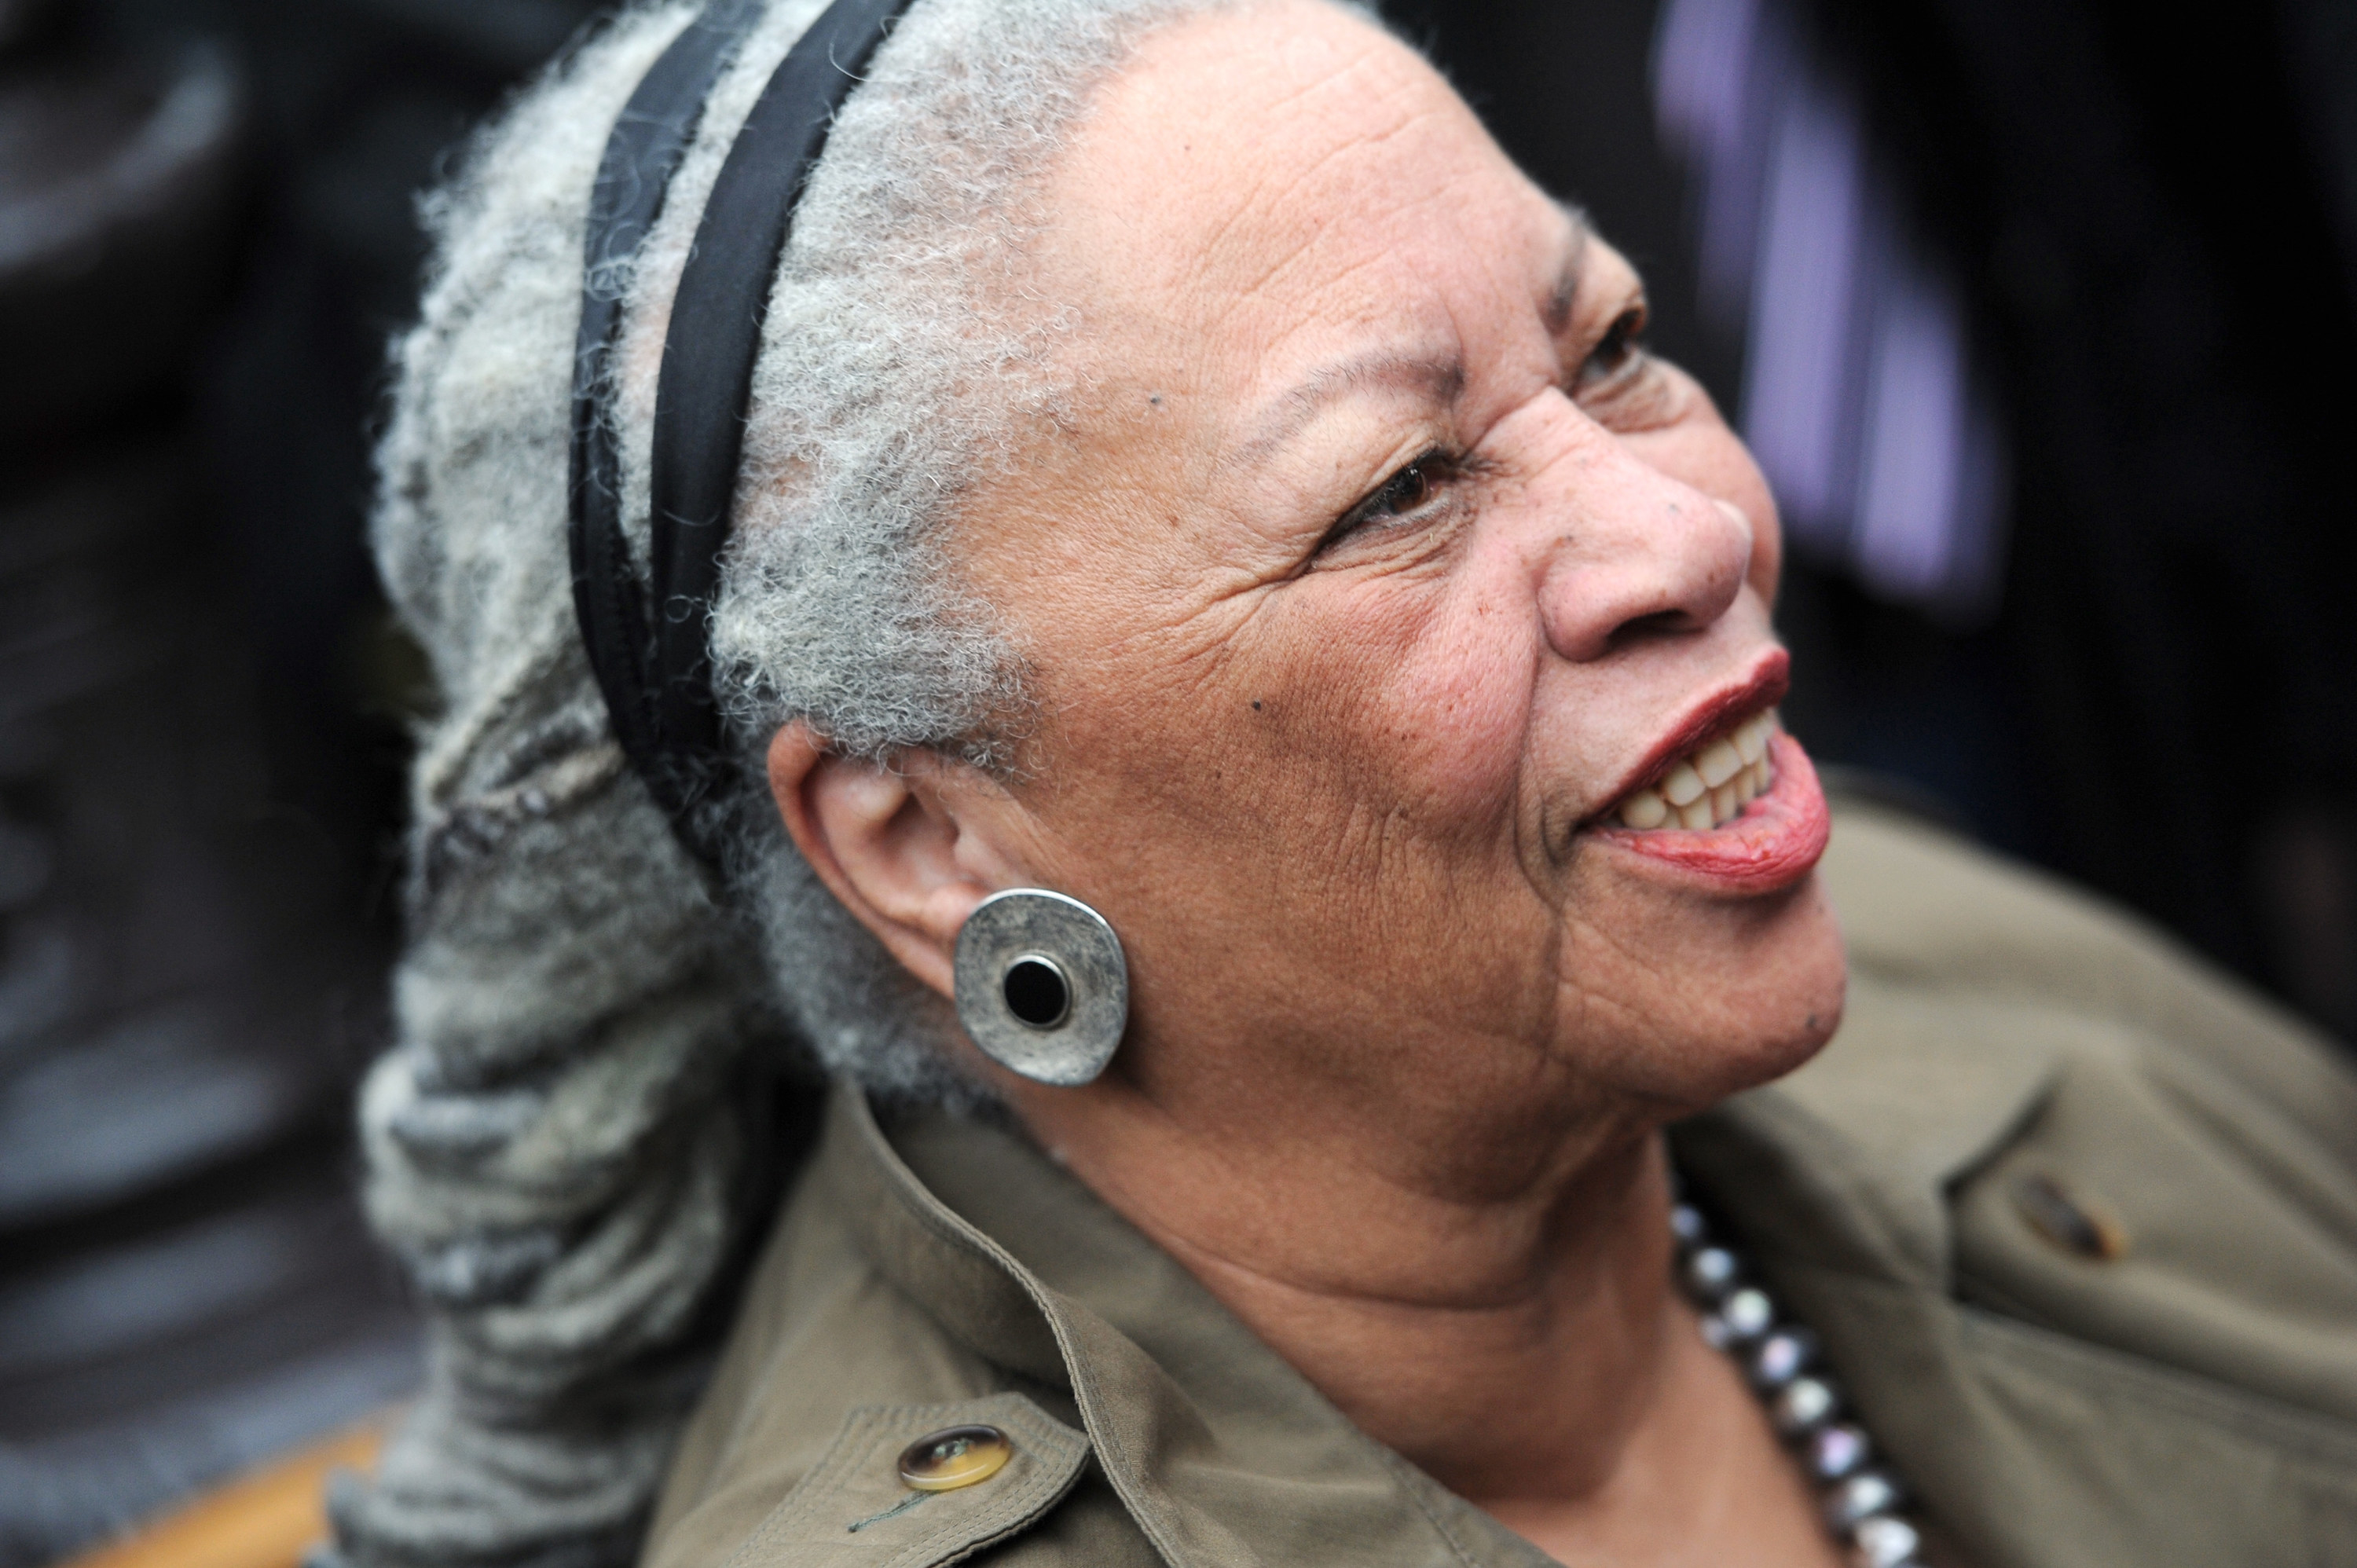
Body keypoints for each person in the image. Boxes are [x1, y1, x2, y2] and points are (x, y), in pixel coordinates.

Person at [327, 0, 2357, 1564]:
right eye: (1400, 489)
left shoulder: (1966, 959)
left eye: (1615, 345)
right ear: (933, 838)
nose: (1687, 529)